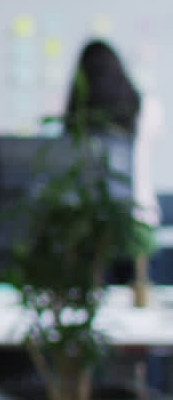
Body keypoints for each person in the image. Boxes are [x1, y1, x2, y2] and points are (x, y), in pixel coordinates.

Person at [64, 39, 164, 286]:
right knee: (137, 282)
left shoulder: (77, 113)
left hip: (85, 213)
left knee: (89, 278)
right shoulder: (145, 108)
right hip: (136, 212)